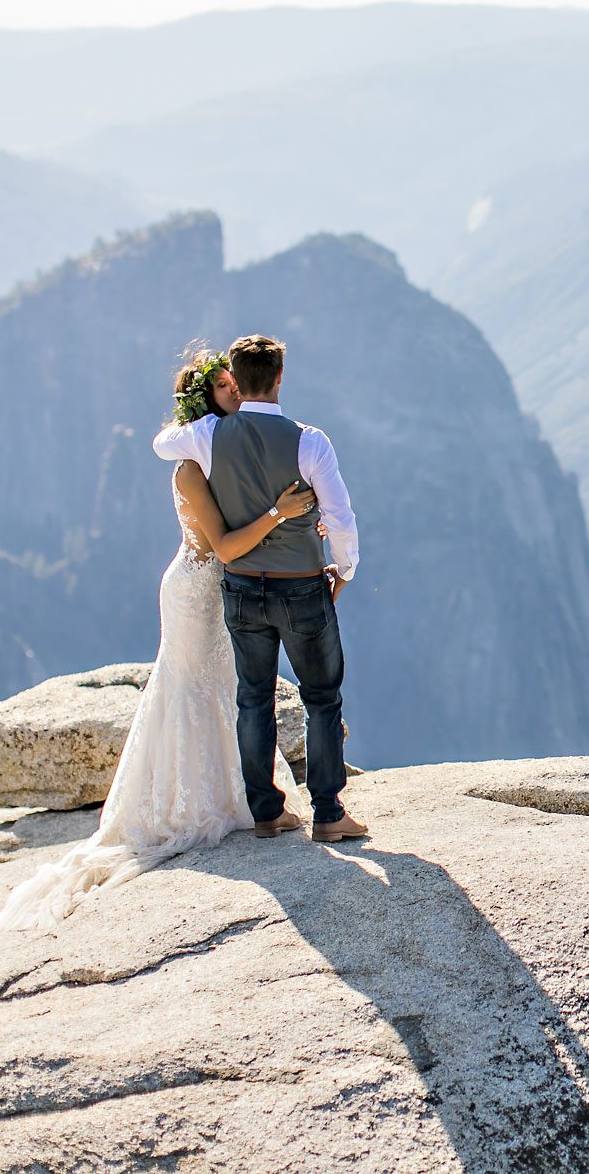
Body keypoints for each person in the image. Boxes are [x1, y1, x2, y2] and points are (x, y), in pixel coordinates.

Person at [0, 348, 320, 933]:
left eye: (237, 382)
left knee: (226, 687)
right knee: (189, 689)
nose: (237, 390)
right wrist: (280, 513)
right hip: (196, 589)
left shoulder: (229, 449)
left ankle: (237, 796)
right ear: (206, 400)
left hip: (225, 586)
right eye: (224, 386)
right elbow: (224, 545)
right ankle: (193, 805)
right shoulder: (190, 469)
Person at [150, 334, 366, 844]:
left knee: (253, 698)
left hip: (242, 587)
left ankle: (266, 812)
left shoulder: (206, 436)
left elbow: (161, 445)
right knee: (321, 698)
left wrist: (198, 422)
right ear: (280, 378)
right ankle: (329, 813)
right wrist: (344, 570)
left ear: (237, 380)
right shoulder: (310, 442)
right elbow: (340, 517)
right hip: (301, 586)